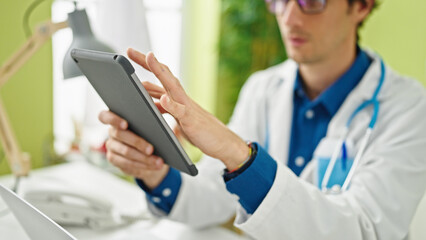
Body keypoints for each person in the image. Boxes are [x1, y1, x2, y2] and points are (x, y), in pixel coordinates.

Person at [99, 0, 426, 239]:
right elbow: (217, 196)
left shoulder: (408, 107)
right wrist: (154, 173)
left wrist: (239, 156)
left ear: (362, 7)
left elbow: (365, 230)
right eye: (279, 1)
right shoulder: (264, 87)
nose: (289, 17)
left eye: (311, 2)